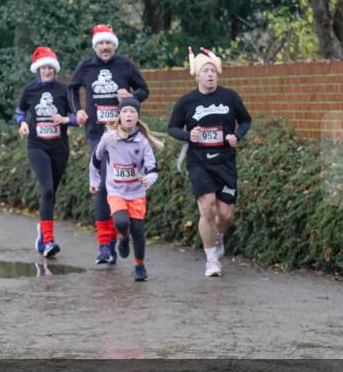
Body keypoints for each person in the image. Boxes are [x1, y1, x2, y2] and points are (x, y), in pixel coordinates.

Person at [168, 48, 252, 277]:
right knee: (207, 208)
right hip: (199, 162)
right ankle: (211, 259)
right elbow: (172, 128)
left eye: (213, 71)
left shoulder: (230, 97)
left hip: (225, 162)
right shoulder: (187, 101)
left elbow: (245, 120)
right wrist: (189, 136)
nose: (210, 75)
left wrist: (237, 136)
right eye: (205, 71)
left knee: (225, 215)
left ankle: (218, 236)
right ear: (197, 76)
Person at [69, 24, 149, 265]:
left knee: (119, 183)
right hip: (96, 133)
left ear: (114, 45)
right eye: (101, 44)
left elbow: (144, 90)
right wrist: (78, 111)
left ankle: (122, 233)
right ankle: (106, 245)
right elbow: (72, 89)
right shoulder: (86, 66)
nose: (105, 47)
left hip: (123, 135)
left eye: (109, 43)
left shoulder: (125, 66)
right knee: (103, 186)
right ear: (96, 46)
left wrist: (131, 99)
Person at [88, 97, 162, 282]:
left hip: (136, 191)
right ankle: (123, 237)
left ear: (137, 117)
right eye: (125, 112)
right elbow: (95, 160)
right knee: (121, 222)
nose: (129, 115)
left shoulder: (142, 142)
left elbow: (153, 168)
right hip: (116, 190)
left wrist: (149, 179)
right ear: (119, 116)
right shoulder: (109, 138)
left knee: (137, 229)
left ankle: (139, 265)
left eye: (133, 112)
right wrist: (95, 180)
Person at [15, 46, 78, 258]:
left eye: (51, 67)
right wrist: (22, 123)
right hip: (37, 146)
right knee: (48, 190)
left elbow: (77, 117)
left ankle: (43, 231)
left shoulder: (64, 90)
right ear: (38, 69)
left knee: (52, 193)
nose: (47, 71)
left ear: (55, 69)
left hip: (59, 147)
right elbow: (19, 111)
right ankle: (49, 241)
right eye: (44, 68)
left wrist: (66, 120)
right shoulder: (30, 90)